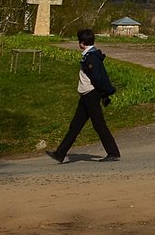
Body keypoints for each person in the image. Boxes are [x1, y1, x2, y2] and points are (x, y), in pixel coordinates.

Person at [47, 28, 120, 163]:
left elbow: (97, 79)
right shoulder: (90, 55)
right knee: (75, 125)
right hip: (86, 95)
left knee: (99, 125)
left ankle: (113, 152)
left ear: (82, 43)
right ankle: (60, 153)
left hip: (90, 95)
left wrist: (103, 95)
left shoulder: (91, 57)